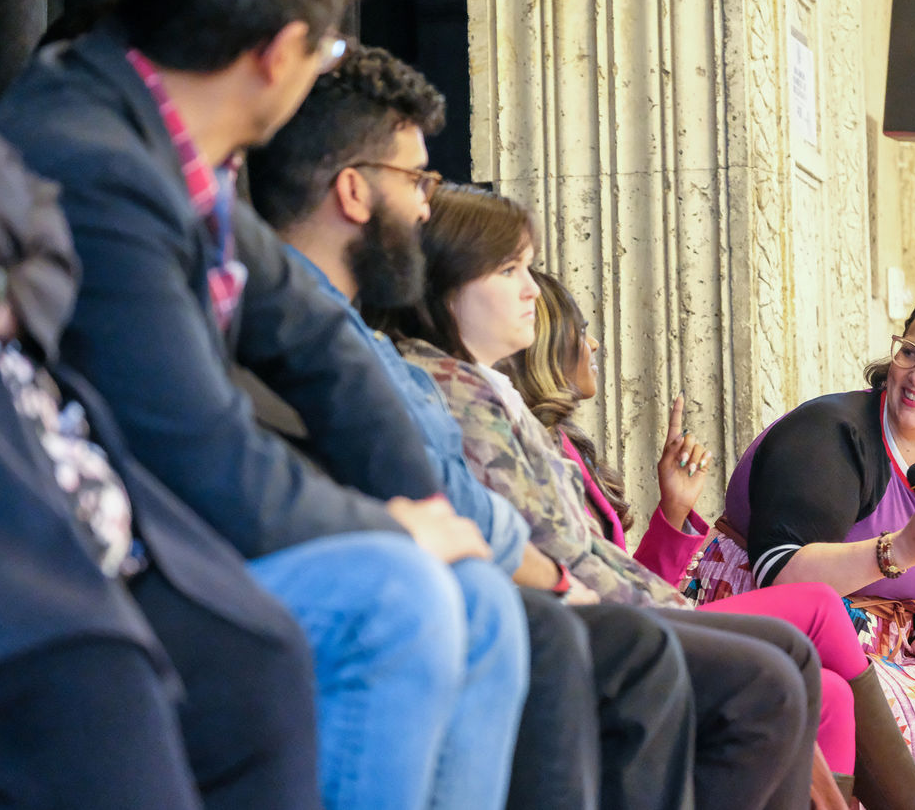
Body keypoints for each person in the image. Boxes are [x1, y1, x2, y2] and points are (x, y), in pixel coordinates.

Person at [0, 0, 530, 808]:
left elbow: (321, 347)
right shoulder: (91, 157)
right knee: (397, 598)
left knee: (486, 610)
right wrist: (387, 527)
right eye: (328, 45)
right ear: (281, 55)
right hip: (76, 568)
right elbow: (198, 454)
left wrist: (423, 508)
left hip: (163, 534)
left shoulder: (164, 145)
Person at [246, 43, 729, 810]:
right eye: (417, 180)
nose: (426, 205)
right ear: (353, 190)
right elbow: (433, 491)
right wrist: (563, 579)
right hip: (362, 574)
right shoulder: (319, 331)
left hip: (481, 571)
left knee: (750, 655)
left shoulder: (372, 347)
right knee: (589, 636)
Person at [367, 181, 834, 809]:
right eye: (510, 270)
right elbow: (550, 542)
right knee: (770, 678)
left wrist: (669, 582)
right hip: (555, 607)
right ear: (448, 283)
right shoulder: (447, 389)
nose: (532, 289)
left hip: (593, 595)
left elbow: (587, 545)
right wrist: (666, 603)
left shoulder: (491, 391)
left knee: (793, 656)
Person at [0, 76, 319, 810]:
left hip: (81, 505)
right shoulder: (92, 143)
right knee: (89, 672)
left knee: (257, 660)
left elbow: (41, 227)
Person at [507, 267, 915, 808]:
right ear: (543, 344)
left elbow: (627, 575)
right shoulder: (516, 445)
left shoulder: (562, 443)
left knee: (832, 694)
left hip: (629, 615)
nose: (594, 341)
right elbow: (572, 577)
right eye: (579, 328)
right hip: (594, 630)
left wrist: (673, 513)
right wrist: (897, 551)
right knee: (815, 604)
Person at [691, 285, 915, 809]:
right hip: (773, 631)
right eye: (910, 352)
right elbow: (778, 574)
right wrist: (897, 552)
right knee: (906, 720)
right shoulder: (830, 435)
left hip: (891, 654)